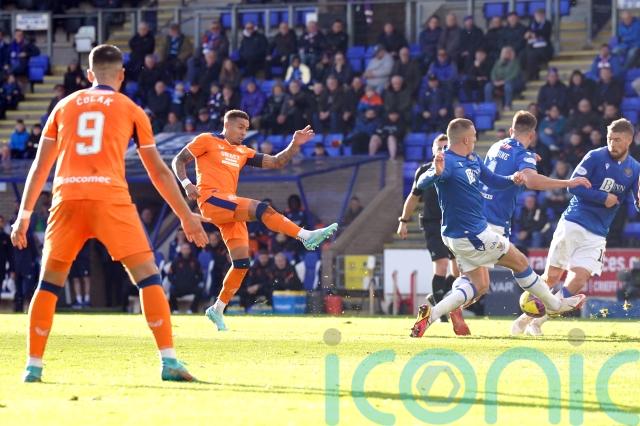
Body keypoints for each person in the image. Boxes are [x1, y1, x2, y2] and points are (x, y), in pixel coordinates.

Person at [11, 44, 208, 383]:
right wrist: (186, 216)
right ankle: (169, 361)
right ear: (121, 75)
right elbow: (158, 172)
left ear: (89, 74)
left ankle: (33, 365)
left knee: (49, 283)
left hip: (67, 197)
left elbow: (40, 167)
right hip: (109, 197)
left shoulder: (63, 105)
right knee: (148, 277)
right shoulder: (131, 108)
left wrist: (24, 215)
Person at [409, 118, 586, 338]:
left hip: (463, 235)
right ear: (466, 139)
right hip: (472, 235)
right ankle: (554, 304)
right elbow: (422, 182)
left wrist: (512, 178)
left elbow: (493, 180)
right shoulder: (448, 162)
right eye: (474, 135)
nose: (476, 138)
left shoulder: (473, 158)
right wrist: (434, 173)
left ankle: (431, 315)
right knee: (520, 262)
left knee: (479, 284)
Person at [171, 110, 338, 331]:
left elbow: (276, 162)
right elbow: (179, 160)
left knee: (241, 264)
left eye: (246, 129)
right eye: (240, 127)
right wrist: (186, 183)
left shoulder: (243, 151)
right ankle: (305, 235)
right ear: (227, 125)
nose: (243, 132)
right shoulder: (207, 140)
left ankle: (217, 309)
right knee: (262, 209)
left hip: (230, 209)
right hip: (211, 200)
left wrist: (294, 144)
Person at [512, 119, 640, 336]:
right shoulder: (595, 156)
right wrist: (602, 197)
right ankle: (524, 319)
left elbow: (637, 202)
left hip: (598, 233)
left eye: (617, 140)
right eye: (609, 138)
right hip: (574, 222)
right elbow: (573, 187)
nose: (612, 143)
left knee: (578, 280)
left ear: (629, 140)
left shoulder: (635, 169)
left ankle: (535, 321)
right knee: (551, 277)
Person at [398, 134, 464, 331]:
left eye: (446, 147)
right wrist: (403, 221)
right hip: (433, 224)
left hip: (453, 224)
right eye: (439, 147)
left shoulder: (456, 169)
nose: (442, 150)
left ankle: (437, 296)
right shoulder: (424, 171)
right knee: (441, 266)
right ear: (433, 150)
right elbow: (413, 197)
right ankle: (441, 314)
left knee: (458, 272)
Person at [69, 240, 92, 308]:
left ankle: (87, 300)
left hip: (84, 257)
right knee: (75, 279)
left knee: (86, 278)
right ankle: (79, 301)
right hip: (73, 257)